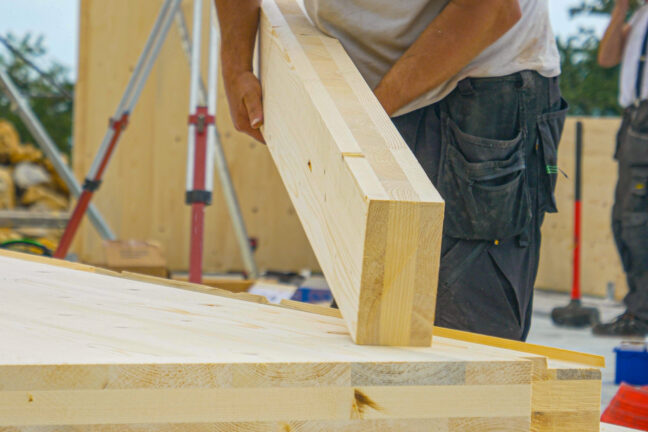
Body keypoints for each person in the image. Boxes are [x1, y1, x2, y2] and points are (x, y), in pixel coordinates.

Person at [215, 0, 565, 340]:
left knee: (460, 340)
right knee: (367, 304)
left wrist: (368, 121)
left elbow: (491, 9)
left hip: (481, 76)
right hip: (360, 81)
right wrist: (236, 65)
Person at [594, 0, 648, 337]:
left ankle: (641, 313)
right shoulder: (641, 15)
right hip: (633, 120)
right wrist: (620, 10)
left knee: (637, 220)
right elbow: (607, 58)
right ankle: (638, 307)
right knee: (625, 220)